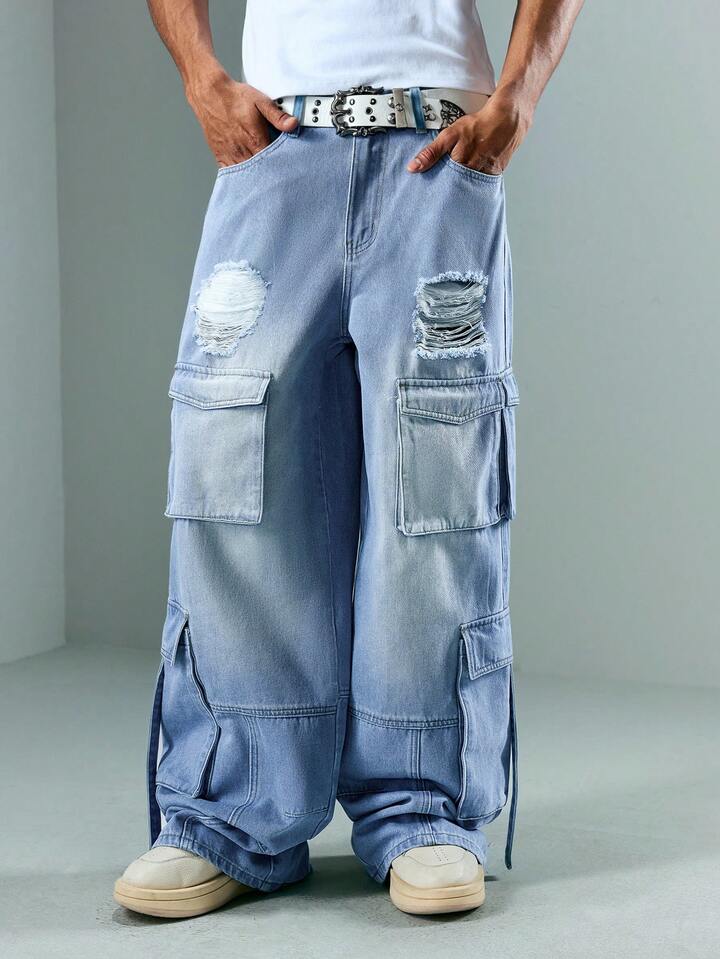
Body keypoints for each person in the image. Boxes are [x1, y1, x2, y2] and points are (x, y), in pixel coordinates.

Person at [113, 0, 583, 919]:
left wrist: (520, 93)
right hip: (276, 148)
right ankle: (230, 810)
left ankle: (425, 808)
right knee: (234, 463)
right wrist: (202, 77)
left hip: (438, 152)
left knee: (435, 480)